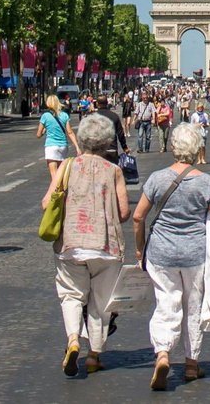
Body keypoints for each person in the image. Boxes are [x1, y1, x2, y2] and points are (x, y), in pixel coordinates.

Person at [132, 123, 210, 390]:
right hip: (195, 253)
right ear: (197, 150)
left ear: (173, 147)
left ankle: (162, 353)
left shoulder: (157, 178)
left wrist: (140, 249)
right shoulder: (206, 181)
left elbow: (139, 216)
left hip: (161, 253)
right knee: (193, 307)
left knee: (166, 303)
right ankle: (191, 364)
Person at [42, 114, 130, 378]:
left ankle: (72, 340)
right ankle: (94, 355)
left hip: (70, 244)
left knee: (71, 295)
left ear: (81, 139)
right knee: (101, 302)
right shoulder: (114, 171)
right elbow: (124, 212)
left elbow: (47, 203)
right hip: (105, 246)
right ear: (106, 143)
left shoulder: (67, 167)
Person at [37, 95, 81, 185]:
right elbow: (70, 132)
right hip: (63, 146)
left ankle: (57, 194)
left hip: (51, 146)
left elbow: (38, 134)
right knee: (61, 173)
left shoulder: (45, 116)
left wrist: (44, 131)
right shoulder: (64, 115)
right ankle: (63, 192)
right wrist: (77, 147)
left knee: (54, 174)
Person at [92, 95, 129, 164]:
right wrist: (125, 147)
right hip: (111, 150)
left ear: (97, 103)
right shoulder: (114, 116)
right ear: (107, 103)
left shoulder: (92, 117)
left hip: (97, 150)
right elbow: (120, 134)